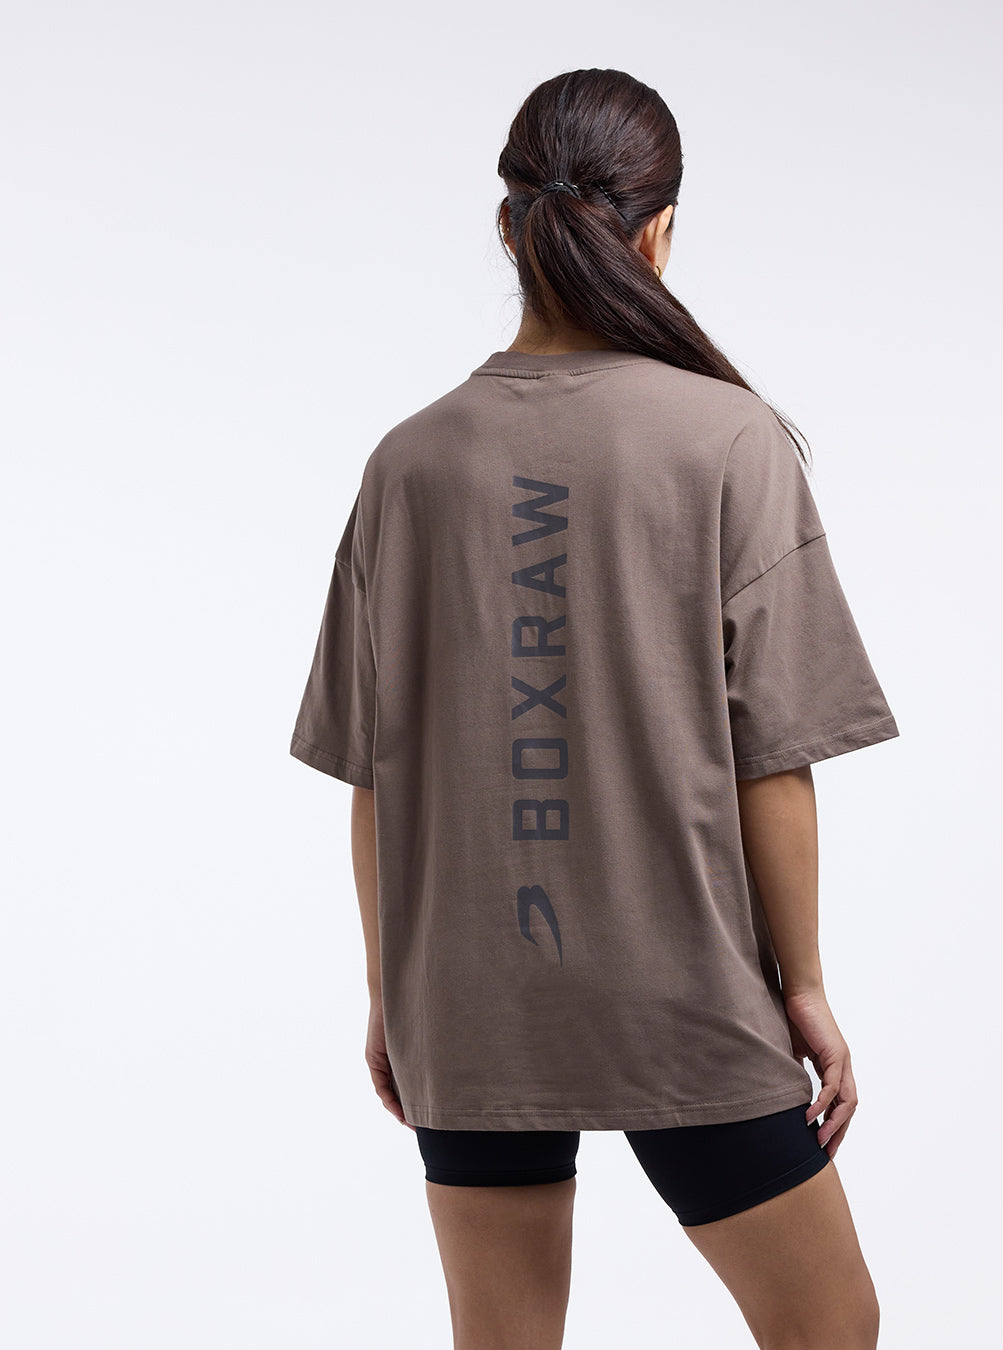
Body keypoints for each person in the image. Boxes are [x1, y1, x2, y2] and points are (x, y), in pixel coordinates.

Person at [289, 67, 899, 1350]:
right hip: (687, 996)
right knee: (830, 1328)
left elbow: (376, 775)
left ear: (507, 227)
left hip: (469, 999)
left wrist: (391, 992)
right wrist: (805, 986)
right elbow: (773, 763)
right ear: (659, 230)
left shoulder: (408, 464)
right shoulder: (729, 442)